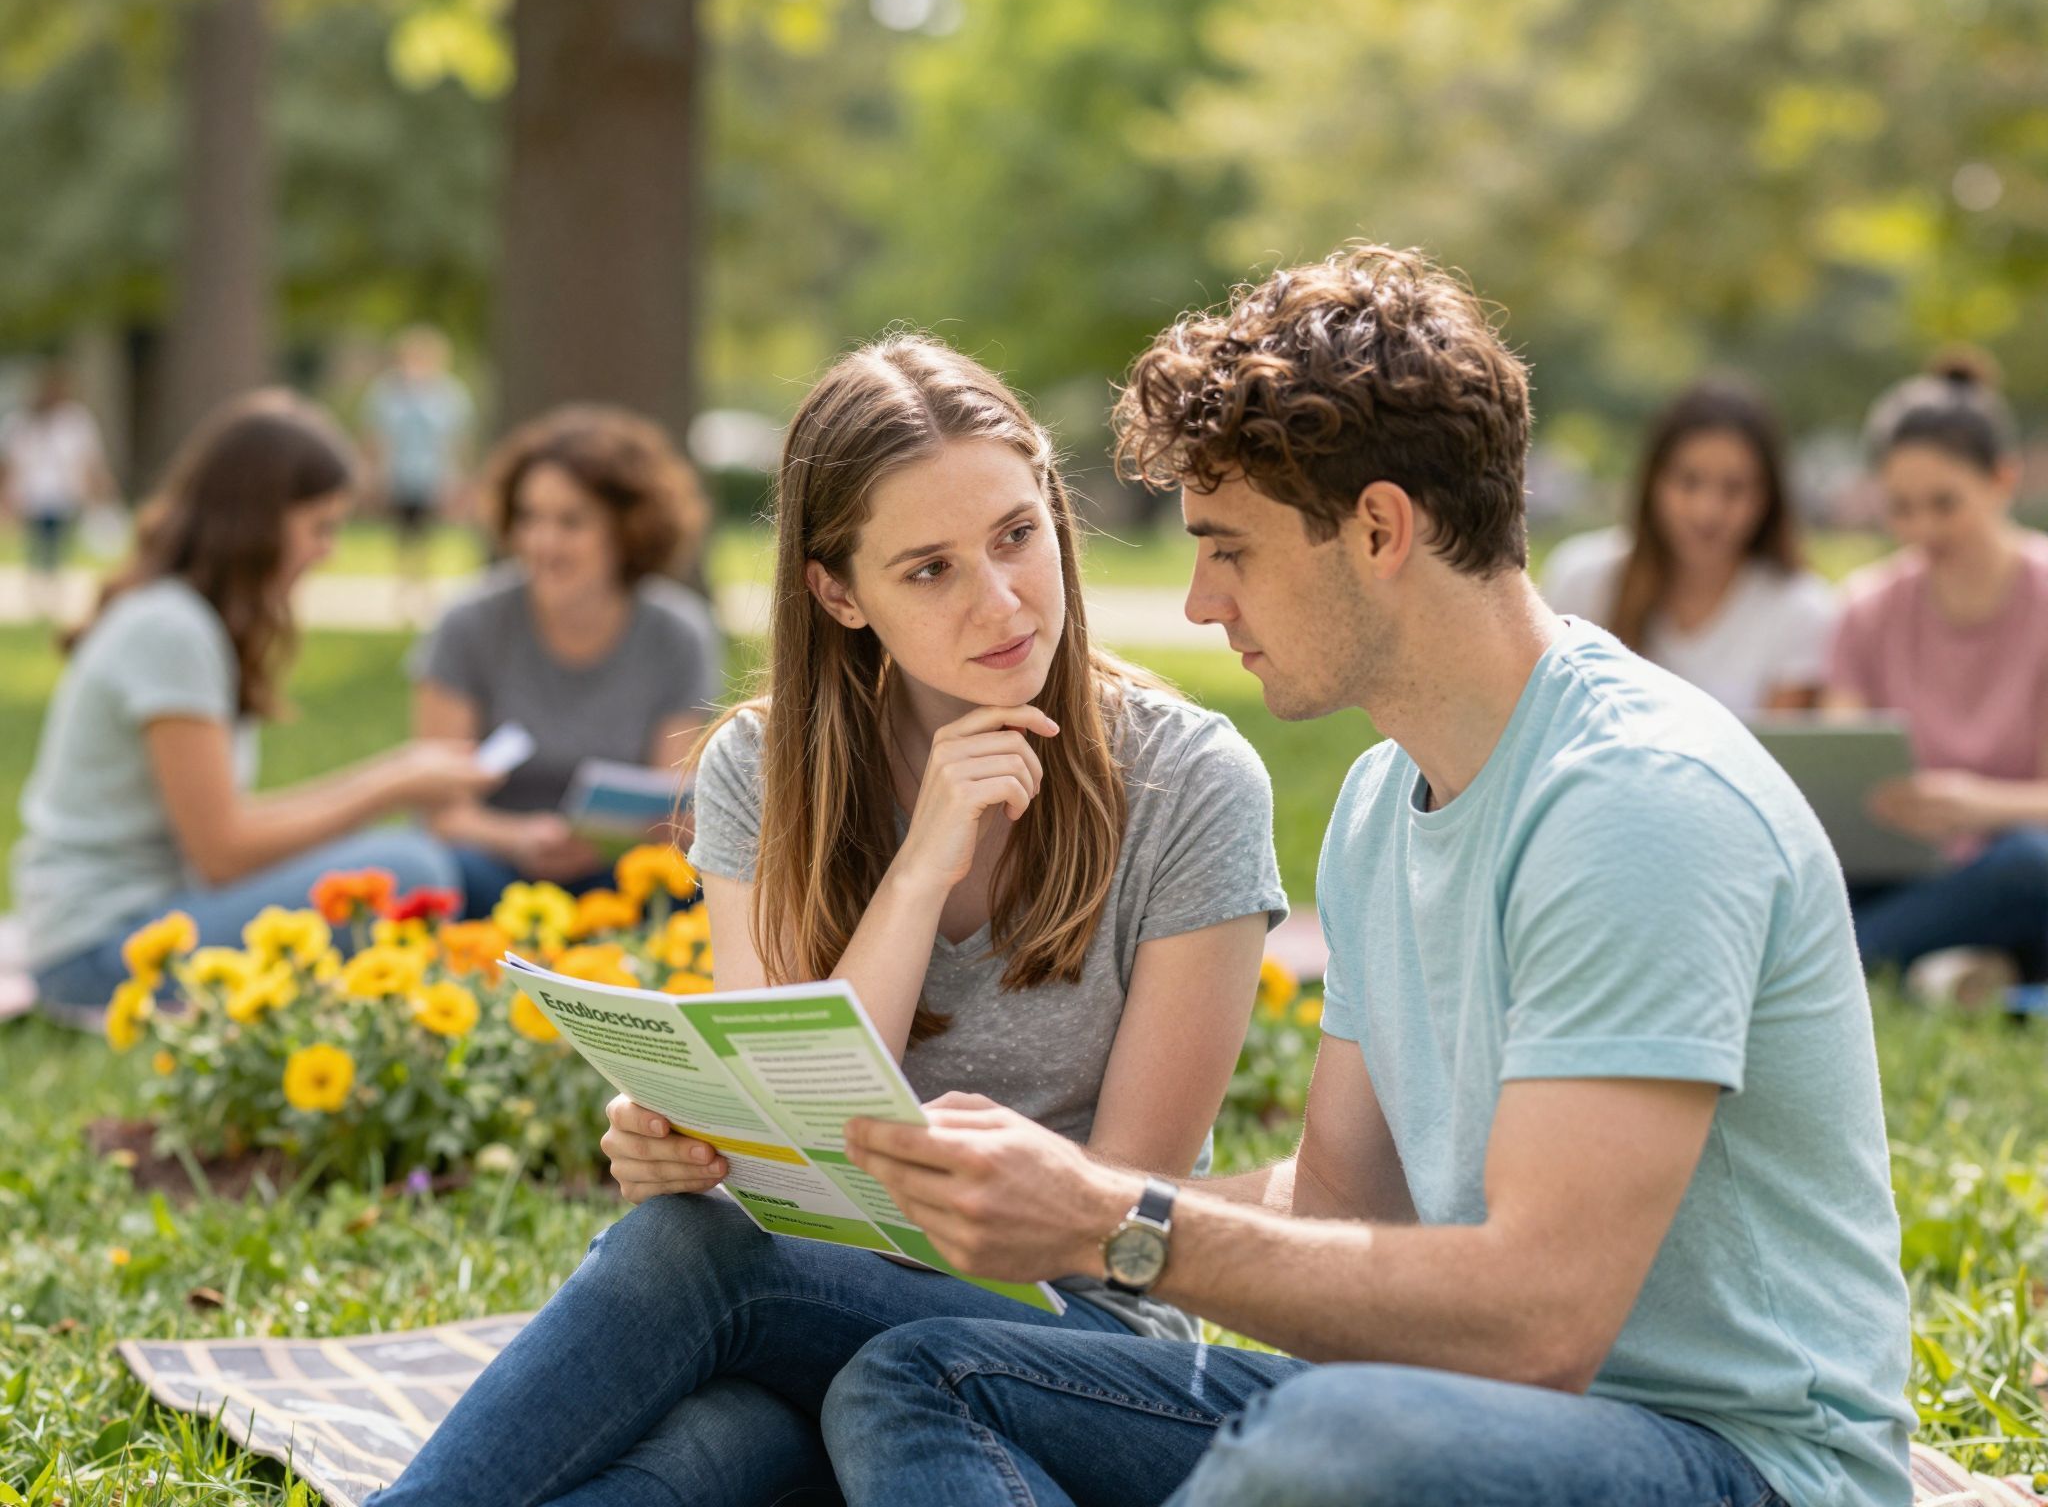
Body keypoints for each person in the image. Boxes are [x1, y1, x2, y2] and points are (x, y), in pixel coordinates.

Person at [823, 247, 1914, 1507]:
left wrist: (1110, 1224)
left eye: (1226, 549)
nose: (1193, 602)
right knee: (921, 1376)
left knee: (1329, 1445)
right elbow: (1341, 1199)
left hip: (1738, 1465)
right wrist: (1021, 1194)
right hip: (1466, 1418)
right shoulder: (1376, 806)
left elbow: (1539, 1322)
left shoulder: (1634, 801)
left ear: (1380, 529)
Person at [364, 335, 1288, 1507]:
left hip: (1074, 1336)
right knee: (700, 1459)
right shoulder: (761, 767)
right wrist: (911, 875)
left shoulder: (1189, 781)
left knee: (699, 1251)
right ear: (837, 592)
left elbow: (1118, 1204)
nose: (1001, 600)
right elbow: (783, 1132)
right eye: (929, 569)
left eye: (1016, 535)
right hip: (827, 1300)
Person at [14, 390, 492, 1020]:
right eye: (319, 527)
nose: (329, 550)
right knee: (409, 866)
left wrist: (396, 779)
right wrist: (392, 781)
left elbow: (219, 834)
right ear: (260, 522)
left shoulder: (182, 619)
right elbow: (224, 851)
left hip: (139, 922)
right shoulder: (171, 629)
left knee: (416, 861)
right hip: (102, 954)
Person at [410, 405, 722, 911]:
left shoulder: (677, 633)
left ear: (627, 531)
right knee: (437, 875)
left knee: (710, 887)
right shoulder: (468, 625)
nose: (542, 542)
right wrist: (523, 840)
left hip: (623, 870)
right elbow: (443, 814)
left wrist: (599, 844)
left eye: (570, 522)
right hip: (493, 868)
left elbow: (674, 810)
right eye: (529, 518)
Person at [1826, 353, 2048, 993]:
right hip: (1901, 865)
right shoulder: (1866, 609)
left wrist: (1976, 805)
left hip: (2011, 858)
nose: (1921, 528)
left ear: (2002, 480)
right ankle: (1948, 964)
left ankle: (1830, 970)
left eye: (1944, 504)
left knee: (2030, 864)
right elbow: (1845, 772)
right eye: (1900, 507)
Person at [1541, 377, 1835, 712]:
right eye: (1688, 482)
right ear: (1654, 482)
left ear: (1767, 498)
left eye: (1734, 488)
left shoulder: (1799, 609)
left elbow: (1781, 756)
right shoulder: (1581, 579)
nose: (1707, 511)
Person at [362, 326, 474, 620]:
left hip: (433, 477)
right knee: (404, 534)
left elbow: (456, 442)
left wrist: (459, 480)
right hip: (400, 475)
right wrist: (374, 477)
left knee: (426, 534)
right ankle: (405, 590)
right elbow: (377, 439)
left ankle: (422, 588)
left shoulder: (449, 395)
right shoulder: (387, 395)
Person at [0, 360, 115, 619]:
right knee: (38, 540)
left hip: (63, 493)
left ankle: (50, 587)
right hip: (33, 494)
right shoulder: (22, 424)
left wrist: (100, 489)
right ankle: (39, 588)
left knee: (56, 540)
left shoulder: (75, 422)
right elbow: (11, 463)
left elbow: (88, 460)